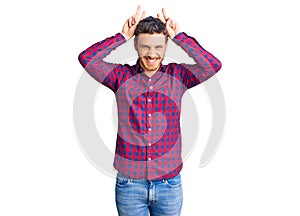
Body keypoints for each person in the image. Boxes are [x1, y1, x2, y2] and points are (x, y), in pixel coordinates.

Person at [78, 5, 222, 216]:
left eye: (158, 47)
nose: (152, 54)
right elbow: (87, 59)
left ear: (166, 47)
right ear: (135, 45)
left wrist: (181, 37)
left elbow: (213, 65)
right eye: (145, 46)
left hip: (169, 185)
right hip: (130, 185)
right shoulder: (120, 77)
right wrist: (121, 36)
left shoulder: (178, 76)